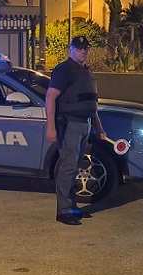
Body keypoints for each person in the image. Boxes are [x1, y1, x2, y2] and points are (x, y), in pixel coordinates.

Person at [44, 36, 107, 226]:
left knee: (75, 167)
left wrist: (100, 129)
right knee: (68, 167)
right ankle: (63, 211)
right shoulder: (64, 70)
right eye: (79, 48)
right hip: (70, 124)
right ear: (71, 49)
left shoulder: (85, 71)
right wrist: (51, 127)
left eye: (85, 48)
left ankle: (72, 207)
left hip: (85, 124)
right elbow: (50, 98)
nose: (83, 51)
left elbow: (90, 103)